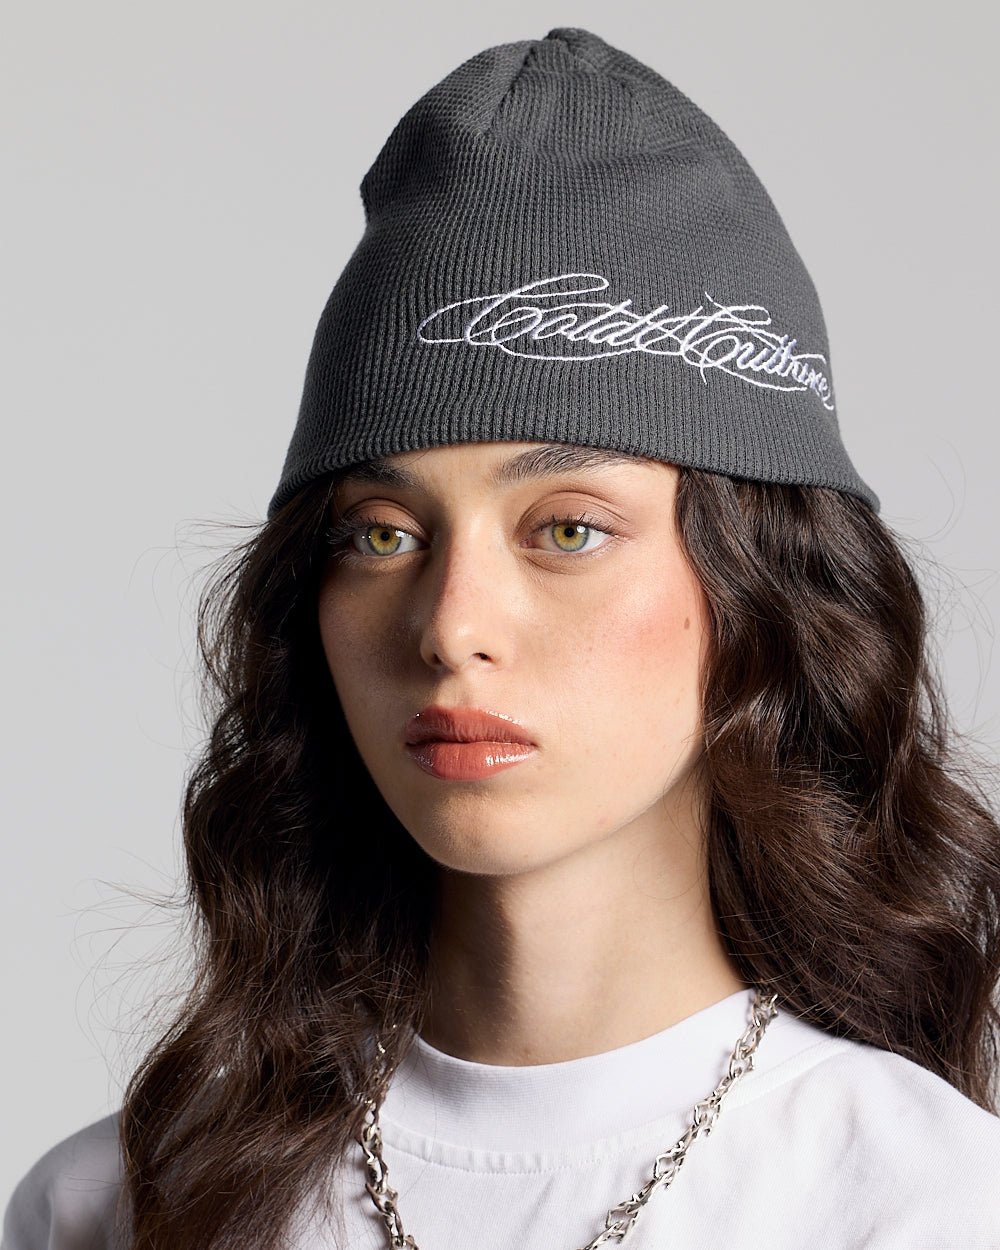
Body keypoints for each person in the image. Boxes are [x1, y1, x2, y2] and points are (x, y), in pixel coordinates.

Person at [4, 25, 1000, 1250]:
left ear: (759, 591)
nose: (451, 624)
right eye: (381, 534)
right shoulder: (115, 1205)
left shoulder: (931, 1207)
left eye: (567, 529)